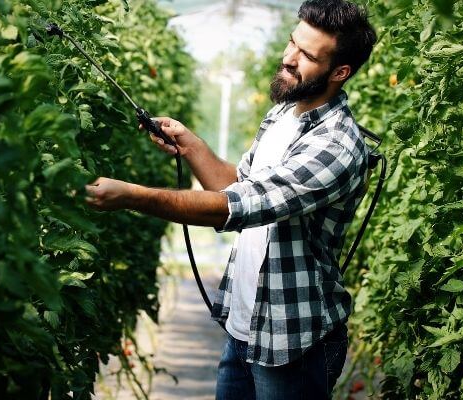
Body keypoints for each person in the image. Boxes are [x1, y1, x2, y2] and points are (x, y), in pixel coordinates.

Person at [85, 0, 377, 398]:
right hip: (247, 327)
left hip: (293, 341)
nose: (289, 59)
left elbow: (237, 207)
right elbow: (240, 185)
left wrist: (133, 196)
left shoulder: (337, 146)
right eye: (292, 43)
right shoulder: (283, 113)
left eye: (306, 55)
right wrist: (191, 146)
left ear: (340, 72)